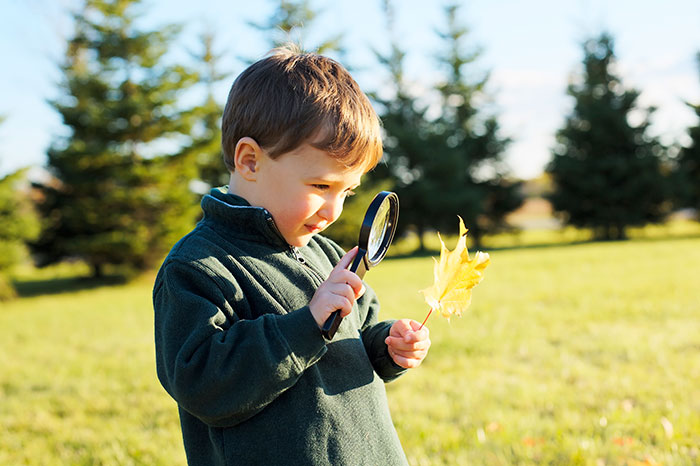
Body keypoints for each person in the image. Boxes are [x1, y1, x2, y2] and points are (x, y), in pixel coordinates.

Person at [153, 44, 431, 466]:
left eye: (347, 191)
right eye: (321, 186)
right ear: (250, 160)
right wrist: (305, 325)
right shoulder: (197, 267)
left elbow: (360, 331)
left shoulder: (328, 253)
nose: (334, 209)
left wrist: (388, 344)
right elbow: (201, 383)